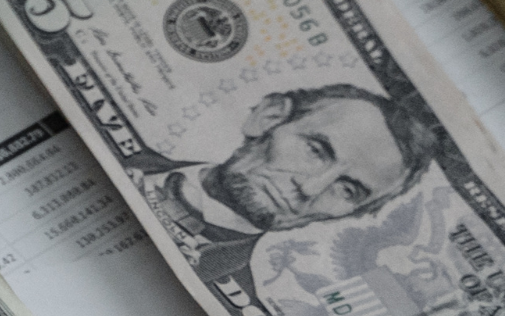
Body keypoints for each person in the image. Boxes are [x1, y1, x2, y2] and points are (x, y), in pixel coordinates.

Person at [129, 82, 447, 283]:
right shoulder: (126, 156)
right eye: (316, 151)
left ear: (356, 213)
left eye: (348, 190)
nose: (309, 189)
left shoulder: (226, 302)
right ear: (268, 117)